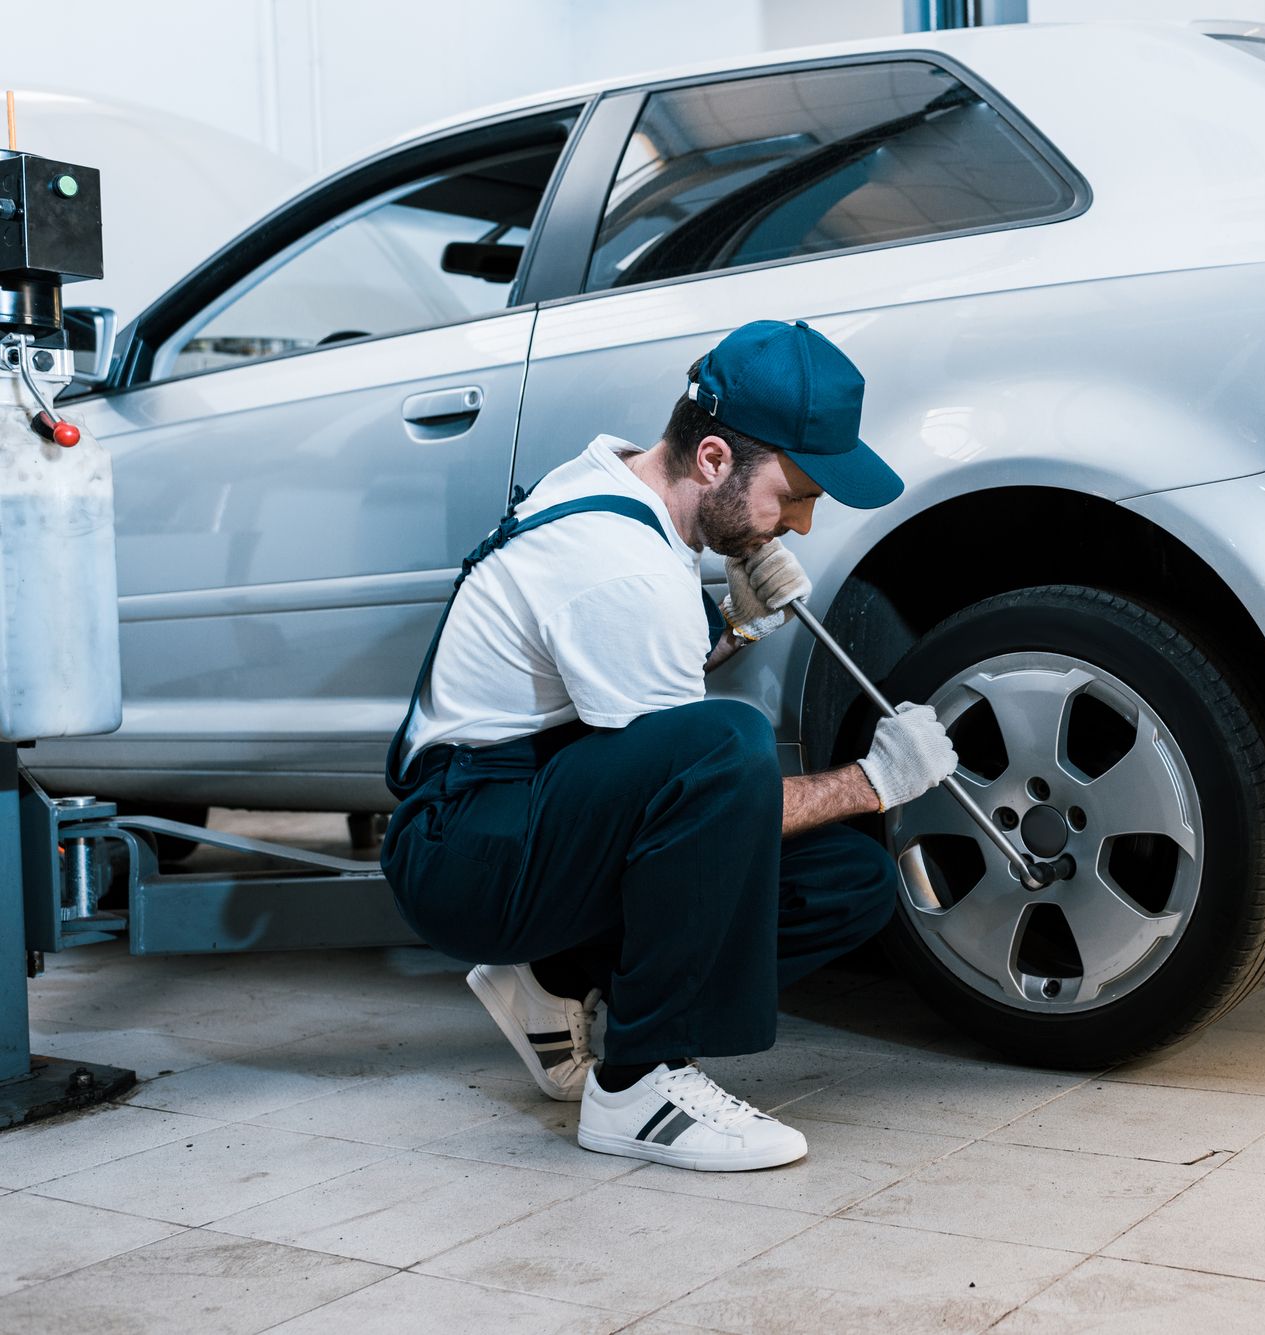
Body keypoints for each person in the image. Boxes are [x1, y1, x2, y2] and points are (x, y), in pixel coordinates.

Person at [379, 319, 957, 1172]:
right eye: (792, 492)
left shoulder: (618, 486)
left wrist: (730, 622)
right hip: (466, 844)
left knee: (847, 883)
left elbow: (610, 706)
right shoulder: (628, 568)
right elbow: (702, 788)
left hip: (525, 807)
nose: (798, 521)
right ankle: (639, 1086)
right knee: (727, 743)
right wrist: (874, 782)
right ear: (715, 460)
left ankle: (559, 978)